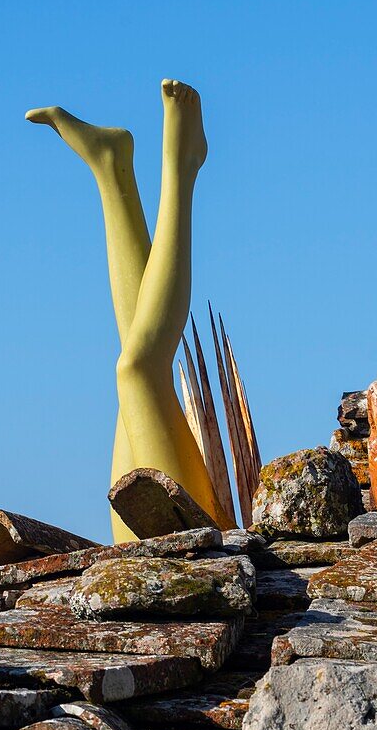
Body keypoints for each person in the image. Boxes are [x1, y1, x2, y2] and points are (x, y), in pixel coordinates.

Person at [27, 80, 230, 540]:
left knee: (135, 361)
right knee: (139, 368)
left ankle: (112, 170)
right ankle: (178, 167)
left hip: (155, 570)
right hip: (198, 565)